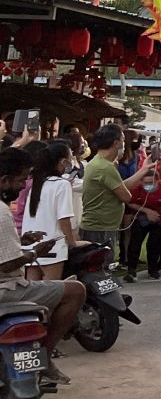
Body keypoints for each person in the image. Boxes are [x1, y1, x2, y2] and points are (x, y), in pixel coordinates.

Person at [0, 147, 85, 384]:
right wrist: (34, 252)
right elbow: (6, 265)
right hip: (5, 291)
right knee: (75, 291)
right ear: (5, 180)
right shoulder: (2, 211)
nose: (22, 186)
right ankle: (45, 355)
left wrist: (21, 241)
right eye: (20, 180)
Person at [79, 124, 153, 272]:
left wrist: (143, 170)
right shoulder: (105, 167)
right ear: (116, 142)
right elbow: (126, 196)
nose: (125, 145)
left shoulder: (99, 163)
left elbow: (120, 187)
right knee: (99, 271)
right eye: (123, 140)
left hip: (99, 226)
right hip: (101, 228)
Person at [21, 141, 78, 281]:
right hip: (53, 247)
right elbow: (64, 219)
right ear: (63, 162)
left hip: (32, 247)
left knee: (32, 295)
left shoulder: (38, 183)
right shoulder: (62, 184)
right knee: (51, 293)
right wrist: (73, 243)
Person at [124, 153, 161, 280]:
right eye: (145, 183)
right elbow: (130, 202)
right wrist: (147, 211)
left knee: (154, 244)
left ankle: (153, 269)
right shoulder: (137, 188)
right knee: (135, 243)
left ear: (157, 180)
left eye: (151, 183)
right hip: (142, 217)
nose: (148, 186)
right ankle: (131, 270)